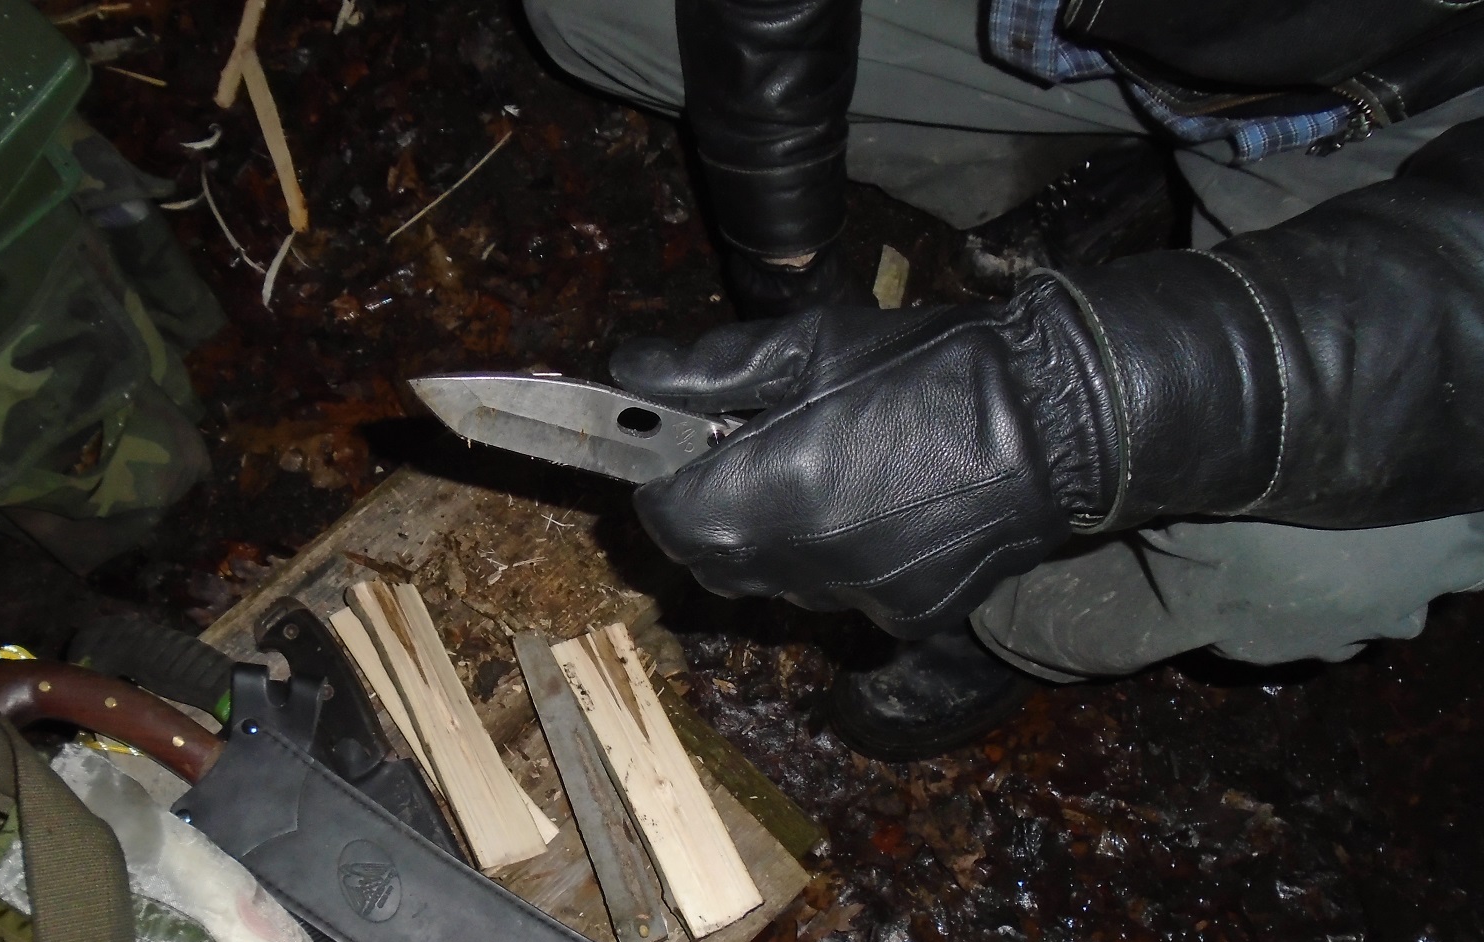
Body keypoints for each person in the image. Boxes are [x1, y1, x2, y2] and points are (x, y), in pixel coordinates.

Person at [524, 0, 1484, 755]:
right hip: (1058, 24)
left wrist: (1062, 414)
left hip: (1397, 126)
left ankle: (998, 615)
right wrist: (789, 261)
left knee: (1316, 573)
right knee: (592, 9)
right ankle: (1098, 165)